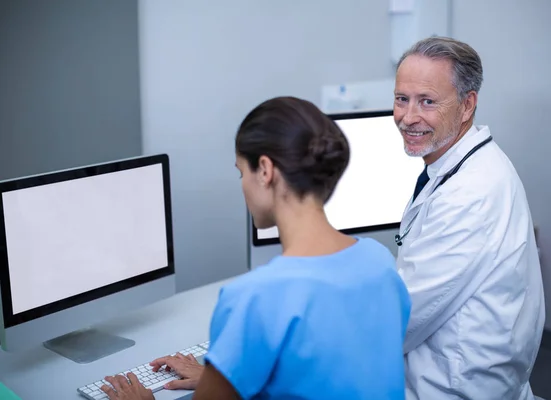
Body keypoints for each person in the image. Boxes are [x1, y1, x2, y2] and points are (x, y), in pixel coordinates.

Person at [99, 96, 412, 400]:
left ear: (265, 170)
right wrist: (222, 375)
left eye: (241, 172)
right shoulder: (379, 260)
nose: (242, 185)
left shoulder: (255, 298)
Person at [393, 35, 546, 399]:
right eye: (402, 99)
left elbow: (400, 322)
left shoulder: (471, 193)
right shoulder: (460, 166)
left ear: (467, 105)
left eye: (427, 102)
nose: (407, 117)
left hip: (453, 388)